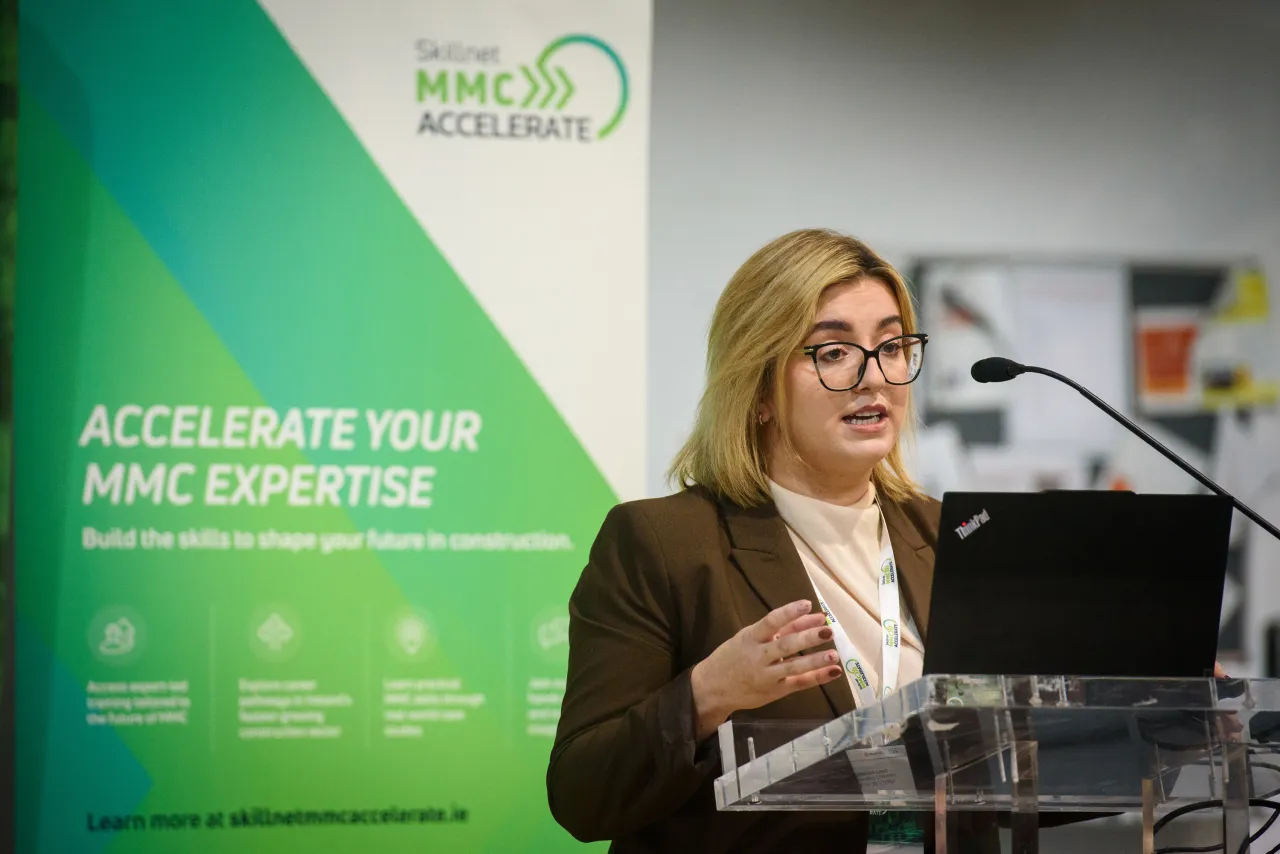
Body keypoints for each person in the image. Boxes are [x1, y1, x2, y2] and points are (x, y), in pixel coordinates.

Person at [546, 229, 1227, 852]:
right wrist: (706, 694)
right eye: (835, 351)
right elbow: (582, 794)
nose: (874, 376)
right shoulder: (664, 544)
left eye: (893, 345)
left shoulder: (952, 534)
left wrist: (1167, 726)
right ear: (756, 386)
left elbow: (1009, 784)